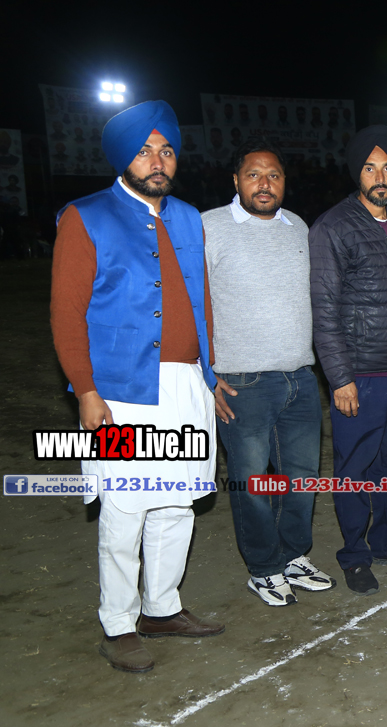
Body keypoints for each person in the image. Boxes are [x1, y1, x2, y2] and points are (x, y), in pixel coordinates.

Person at [50, 100, 226, 673]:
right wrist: (85, 390)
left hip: (186, 385)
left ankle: (162, 608)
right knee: (125, 507)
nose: (157, 160)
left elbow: (201, 304)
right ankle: (119, 623)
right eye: (145, 150)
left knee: (176, 503)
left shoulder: (189, 218)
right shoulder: (86, 216)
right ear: (123, 158)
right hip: (119, 392)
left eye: (167, 150)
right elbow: (66, 314)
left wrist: (209, 376)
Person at [203, 136, 333, 607]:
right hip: (242, 382)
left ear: (284, 182)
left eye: (273, 175)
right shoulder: (208, 227)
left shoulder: (298, 226)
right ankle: (263, 568)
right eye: (254, 175)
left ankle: (293, 555)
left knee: (302, 478)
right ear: (236, 180)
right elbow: (190, 304)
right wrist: (205, 374)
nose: (264, 184)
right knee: (254, 484)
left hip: (300, 377)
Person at [309, 125, 387, 597]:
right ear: (356, 174)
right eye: (370, 168)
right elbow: (323, 309)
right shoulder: (333, 227)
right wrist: (340, 377)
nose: (380, 177)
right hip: (360, 374)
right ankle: (354, 554)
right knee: (355, 467)